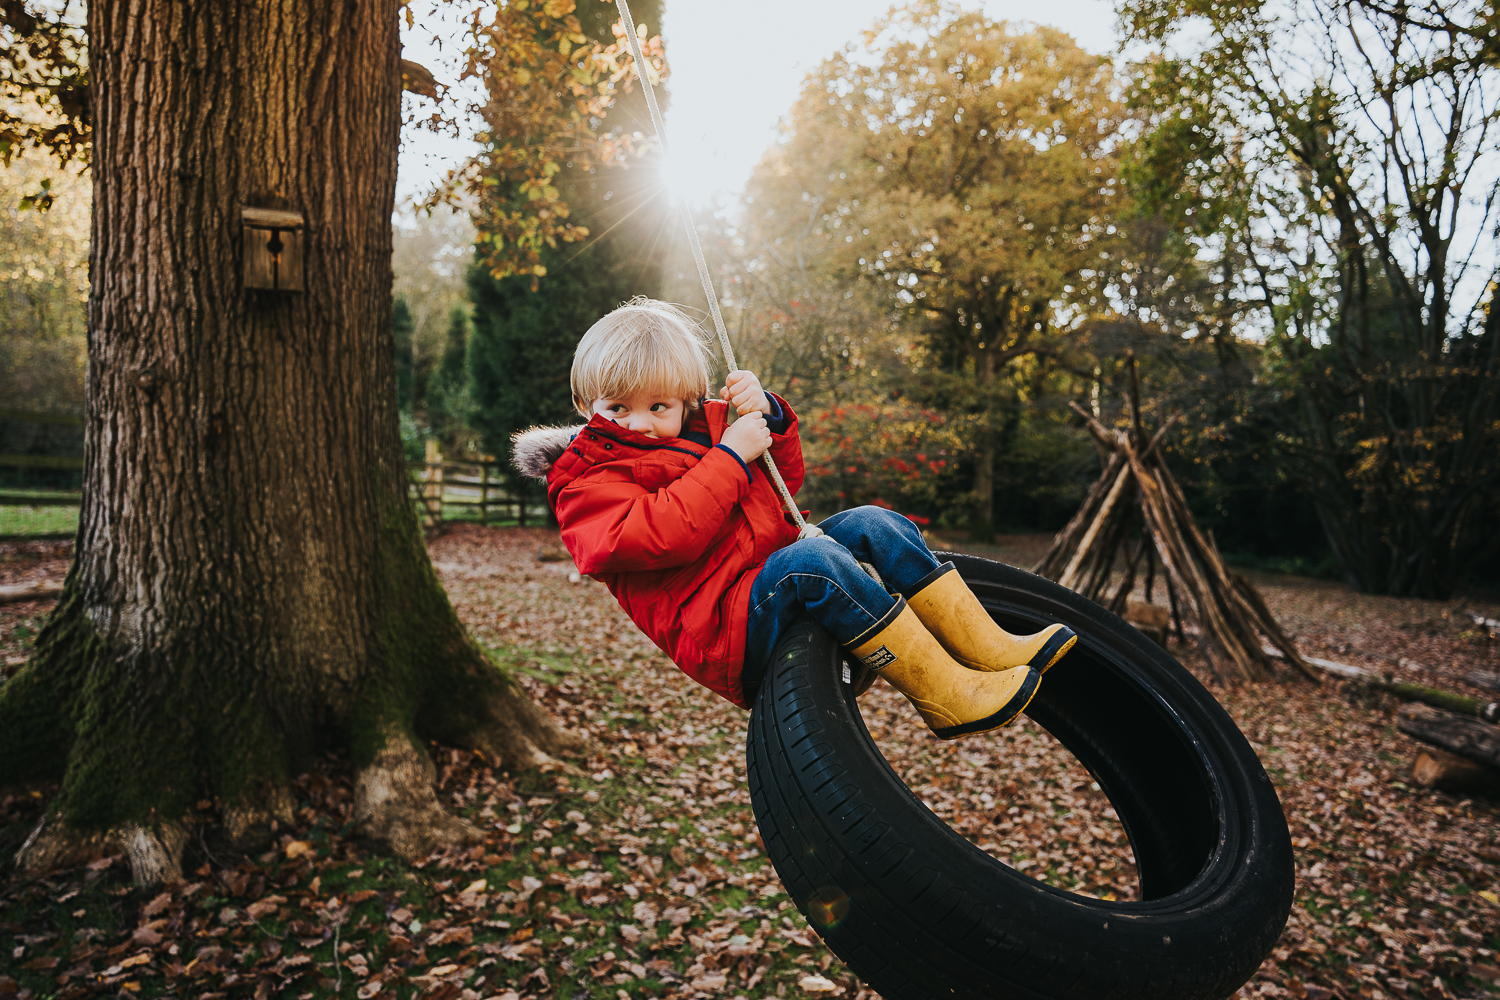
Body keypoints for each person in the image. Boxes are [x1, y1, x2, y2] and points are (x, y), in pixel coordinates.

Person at [512, 298, 1075, 739]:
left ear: (686, 398)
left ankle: (985, 646)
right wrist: (730, 456)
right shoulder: (585, 480)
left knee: (874, 523)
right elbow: (661, 534)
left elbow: (780, 491)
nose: (640, 423)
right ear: (588, 407)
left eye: (658, 406)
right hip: (728, 632)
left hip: (765, 574)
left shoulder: (707, 437)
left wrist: (769, 418)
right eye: (618, 407)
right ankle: (946, 695)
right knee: (814, 562)